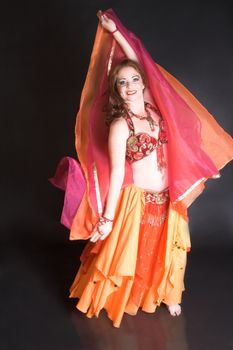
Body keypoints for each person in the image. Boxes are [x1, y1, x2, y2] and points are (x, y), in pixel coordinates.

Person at [50, 9, 233, 328]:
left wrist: (116, 33)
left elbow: (140, 62)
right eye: (123, 82)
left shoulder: (152, 106)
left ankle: (167, 294)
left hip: (169, 196)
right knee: (129, 255)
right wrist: (107, 219)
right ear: (117, 91)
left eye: (134, 79)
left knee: (167, 251)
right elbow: (118, 173)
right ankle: (119, 297)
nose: (131, 85)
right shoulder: (121, 126)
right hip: (135, 200)